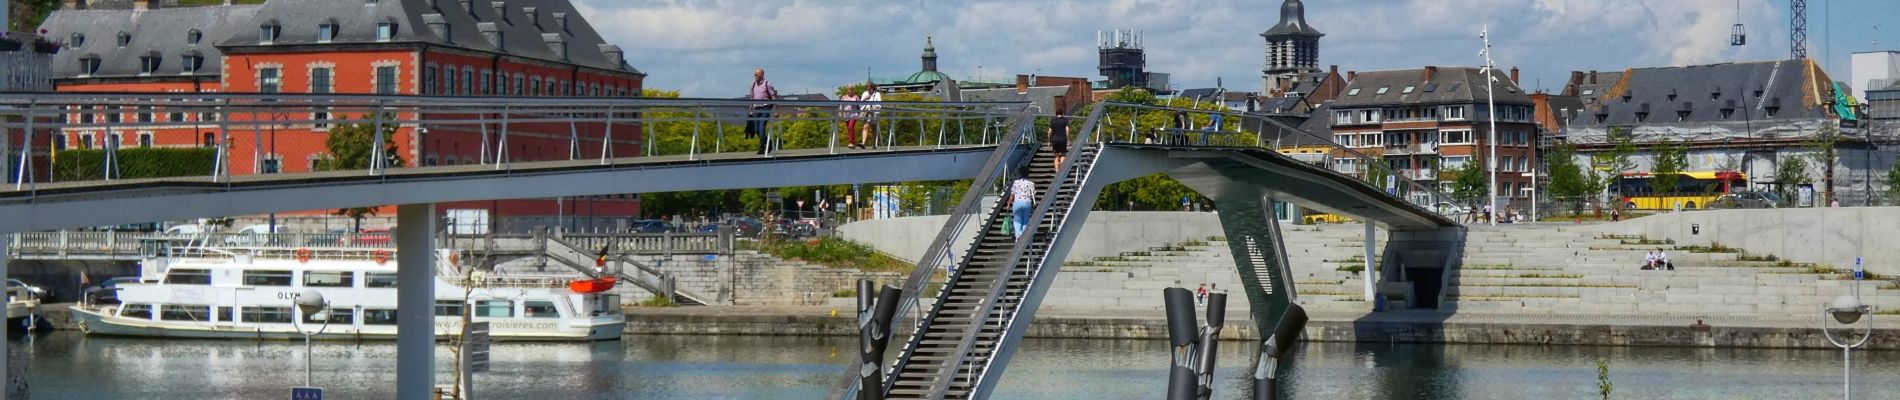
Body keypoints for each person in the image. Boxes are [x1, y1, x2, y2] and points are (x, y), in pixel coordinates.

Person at [746, 68, 779, 155]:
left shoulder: (767, 84)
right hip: (756, 109)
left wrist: (775, 111)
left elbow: (774, 98)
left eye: (756, 74)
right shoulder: (753, 85)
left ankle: (762, 147)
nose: (754, 76)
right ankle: (769, 144)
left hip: (765, 108)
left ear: (761, 75)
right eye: (754, 74)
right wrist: (750, 111)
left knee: (761, 128)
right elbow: (752, 99)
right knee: (756, 129)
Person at [1010, 171, 1036, 239]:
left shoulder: (1016, 182)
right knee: (1025, 220)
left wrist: (1008, 204)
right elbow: (1033, 194)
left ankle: (1018, 234)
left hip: (1017, 203)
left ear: (1020, 174)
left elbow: (1012, 194)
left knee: (1017, 220)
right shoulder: (1031, 183)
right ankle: (1024, 235)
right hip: (1027, 203)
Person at [859, 83, 883, 149]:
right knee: (865, 126)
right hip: (866, 111)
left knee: (874, 128)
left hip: (874, 112)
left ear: (872, 88)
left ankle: (874, 144)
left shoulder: (877, 94)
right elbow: (860, 103)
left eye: (869, 88)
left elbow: (879, 104)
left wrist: (874, 107)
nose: (868, 89)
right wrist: (865, 99)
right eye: (867, 88)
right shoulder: (864, 93)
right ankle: (863, 143)